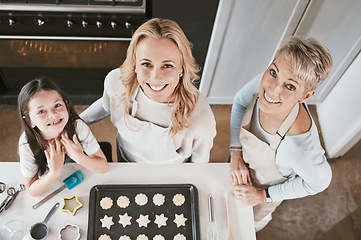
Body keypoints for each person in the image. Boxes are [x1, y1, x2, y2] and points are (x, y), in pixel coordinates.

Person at [229, 36, 333, 231]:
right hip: (238, 166)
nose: (273, 90)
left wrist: (263, 196)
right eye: (273, 72)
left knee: (242, 228)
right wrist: (235, 152)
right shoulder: (268, 82)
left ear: (306, 95)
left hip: (258, 195)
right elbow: (240, 101)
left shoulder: (298, 148)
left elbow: (319, 183)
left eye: (290, 86)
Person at [80, 18, 216, 163]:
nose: (156, 78)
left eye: (168, 65)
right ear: (135, 64)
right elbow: (105, 104)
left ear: (182, 67)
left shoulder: (200, 119)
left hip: (170, 177)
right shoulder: (116, 82)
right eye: (146, 64)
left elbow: (199, 166)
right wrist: (74, 123)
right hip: (125, 162)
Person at [18, 77, 108, 196]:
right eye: (41, 112)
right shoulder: (27, 144)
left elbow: (103, 167)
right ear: (30, 121)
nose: (52, 114)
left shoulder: (77, 127)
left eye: (57, 105)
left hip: (83, 181)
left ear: (66, 104)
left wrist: (80, 157)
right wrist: (54, 172)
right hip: (56, 187)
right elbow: (32, 190)